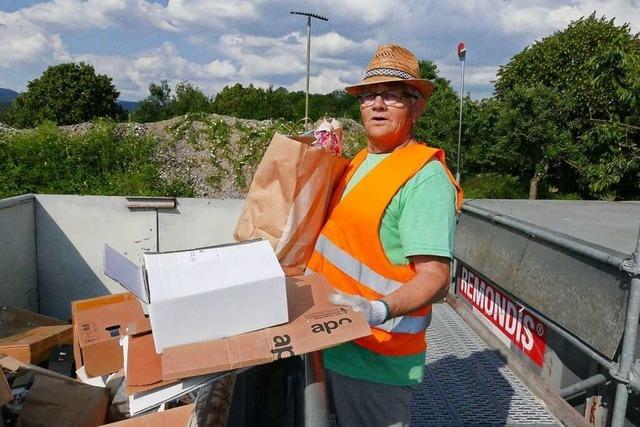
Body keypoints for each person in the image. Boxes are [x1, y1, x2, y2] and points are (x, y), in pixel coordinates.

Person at [306, 44, 463, 426]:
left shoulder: (424, 179)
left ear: (416, 106)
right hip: (327, 343)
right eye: (369, 95)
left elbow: (435, 277)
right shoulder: (360, 160)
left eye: (392, 95)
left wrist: (378, 310)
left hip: (375, 359)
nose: (377, 104)